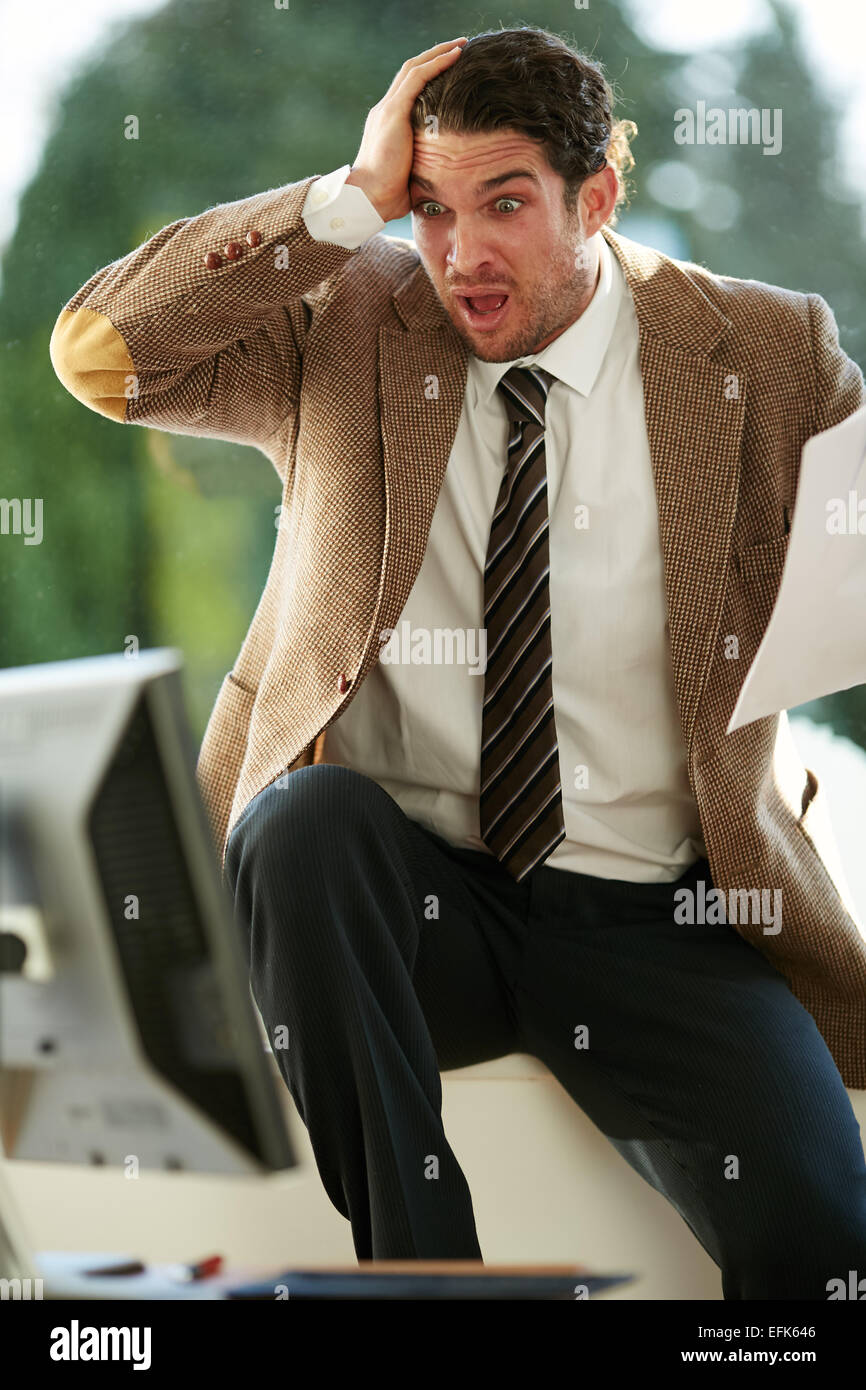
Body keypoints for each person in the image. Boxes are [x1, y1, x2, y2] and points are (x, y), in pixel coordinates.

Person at [50, 27, 866, 1298]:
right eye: (431, 208)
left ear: (595, 197)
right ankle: (427, 1299)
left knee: (826, 1252)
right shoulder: (357, 313)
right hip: (397, 908)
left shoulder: (759, 354)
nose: (461, 254)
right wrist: (347, 202)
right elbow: (105, 353)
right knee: (303, 822)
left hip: (654, 911)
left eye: (505, 204)